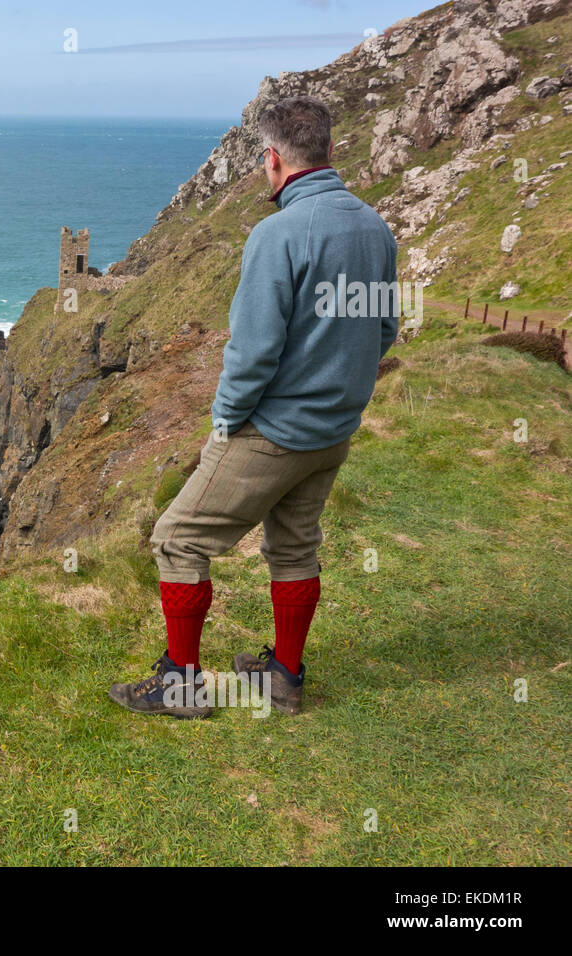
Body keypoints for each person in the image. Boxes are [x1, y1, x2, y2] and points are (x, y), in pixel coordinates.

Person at [109, 96, 399, 719]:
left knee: (177, 537)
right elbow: (383, 331)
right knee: (295, 547)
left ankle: (181, 684)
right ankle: (284, 678)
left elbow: (254, 351)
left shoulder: (278, 235)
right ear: (330, 150)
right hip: (334, 430)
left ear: (272, 159)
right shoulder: (375, 229)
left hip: (275, 430)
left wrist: (226, 421)